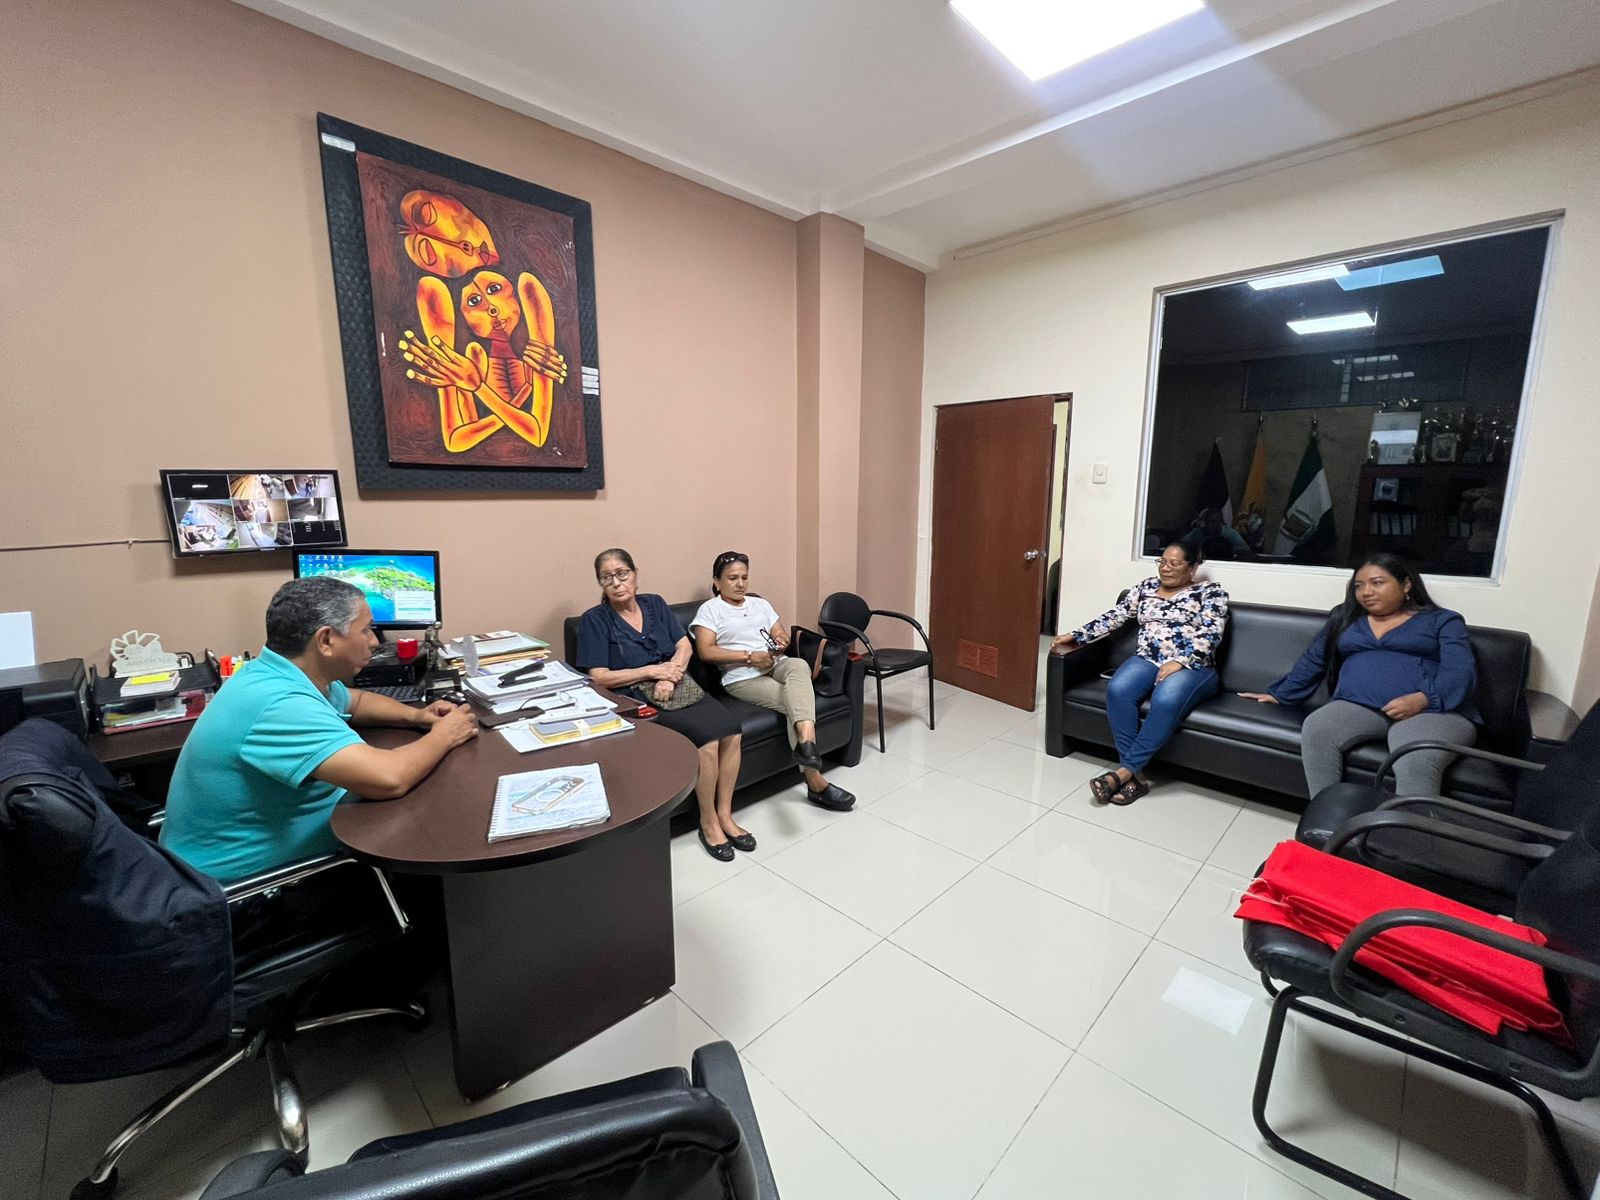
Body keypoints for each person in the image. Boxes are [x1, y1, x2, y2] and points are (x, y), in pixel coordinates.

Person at [161, 576, 479, 883]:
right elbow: (388, 778)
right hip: (250, 890)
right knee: (428, 846)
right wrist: (446, 734)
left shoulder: (279, 672)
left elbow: (356, 700)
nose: (375, 641)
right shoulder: (279, 705)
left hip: (275, 855)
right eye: (366, 630)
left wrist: (418, 717)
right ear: (326, 640)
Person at [1239, 553, 1478, 798]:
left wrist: (1423, 699)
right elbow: (1315, 658)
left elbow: (1460, 670)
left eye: (1377, 583)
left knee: (1413, 755)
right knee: (1318, 729)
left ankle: (1409, 823)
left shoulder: (1442, 620)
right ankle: (1327, 816)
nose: (1366, 592)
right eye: (1359, 586)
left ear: (1406, 584)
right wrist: (1281, 694)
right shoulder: (1345, 617)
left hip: (1433, 711)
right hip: (1360, 706)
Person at [574, 548, 749, 862]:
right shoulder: (594, 620)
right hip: (637, 697)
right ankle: (708, 822)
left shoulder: (654, 604)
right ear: (600, 583)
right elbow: (599, 676)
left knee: (732, 731)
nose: (616, 582)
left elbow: (684, 645)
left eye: (622, 574)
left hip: (679, 686)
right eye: (607, 577)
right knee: (707, 741)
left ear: (635, 574)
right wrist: (652, 672)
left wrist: (672, 674)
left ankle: (725, 813)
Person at [1051, 542, 1229, 805]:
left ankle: (1123, 773)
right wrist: (1077, 634)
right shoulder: (1146, 588)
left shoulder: (1210, 593)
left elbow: (1212, 633)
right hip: (1148, 659)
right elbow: (1116, 616)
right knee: (1118, 690)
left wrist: (1180, 661)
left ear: (1192, 568)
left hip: (1194, 665)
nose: (1165, 568)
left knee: (1165, 699)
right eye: (1162, 562)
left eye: (1174, 563)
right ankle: (1137, 777)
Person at [691, 551, 857, 814]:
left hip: (775, 663)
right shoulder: (710, 610)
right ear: (717, 581)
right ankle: (815, 780)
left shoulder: (760, 604)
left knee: (799, 665)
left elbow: (781, 633)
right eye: (732, 578)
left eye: (744, 577)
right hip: (742, 677)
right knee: (794, 701)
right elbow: (705, 651)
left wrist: (780, 643)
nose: (740, 584)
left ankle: (806, 744)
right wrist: (749, 656)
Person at [1180, 508, 1251, 561]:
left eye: (1215, 522)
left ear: (1222, 522)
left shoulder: (1229, 532)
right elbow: (1180, 544)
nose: (1212, 525)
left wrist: (1225, 549)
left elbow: (1245, 548)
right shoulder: (1198, 533)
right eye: (1209, 521)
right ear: (1205, 522)